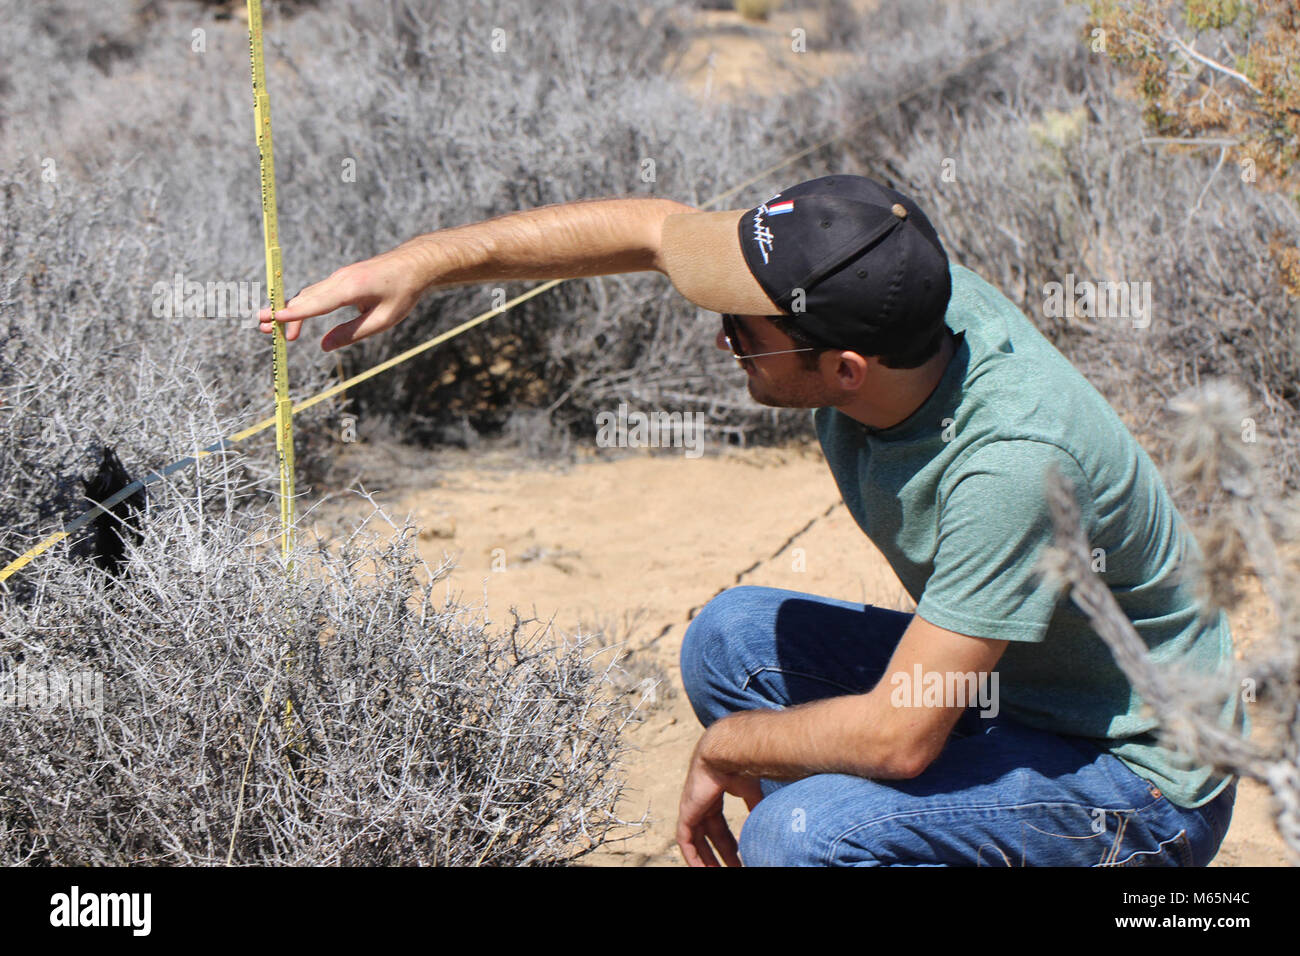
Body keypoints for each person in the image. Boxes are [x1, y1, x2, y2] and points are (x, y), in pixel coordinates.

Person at [258, 174, 1243, 867]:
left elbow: (902, 738)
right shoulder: (882, 287)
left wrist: (728, 750)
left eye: (740, 330)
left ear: (844, 370)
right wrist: (418, 264)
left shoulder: (1013, 466)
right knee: (728, 640)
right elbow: (652, 231)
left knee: (805, 832)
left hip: (1135, 778)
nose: (719, 335)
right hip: (1003, 689)